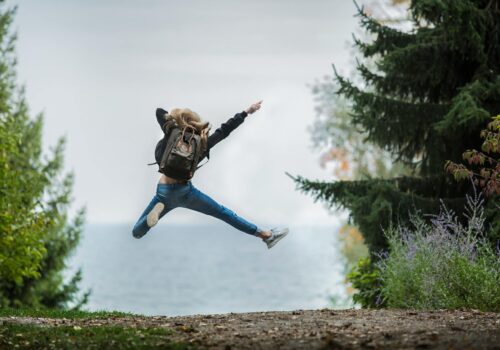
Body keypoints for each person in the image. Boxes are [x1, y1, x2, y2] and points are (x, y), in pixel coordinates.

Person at [132, 100, 289, 249]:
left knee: (137, 233)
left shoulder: (172, 132)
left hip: (164, 192)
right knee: (224, 213)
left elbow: (159, 112)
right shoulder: (201, 143)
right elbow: (225, 130)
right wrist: (246, 112)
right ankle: (266, 235)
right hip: (186, 193)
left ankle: (149, 220)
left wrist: (175, 121)